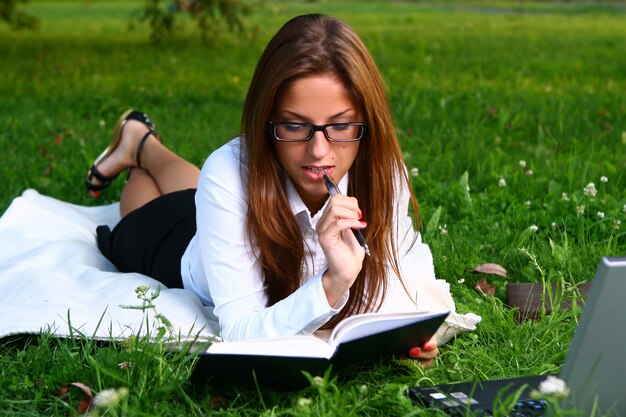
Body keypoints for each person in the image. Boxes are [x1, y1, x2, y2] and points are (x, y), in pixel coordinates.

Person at [86, 13, 455, 366]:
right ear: (266, 121)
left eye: (340, 126)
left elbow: (401, 278)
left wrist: (410, 331)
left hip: (213, 202)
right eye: (295, 127)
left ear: (367, 122)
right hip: (171, 243)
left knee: (196, 189)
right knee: (145, 207)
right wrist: (331, 283)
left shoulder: (384, 172)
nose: (319, 152)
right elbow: (241, 333)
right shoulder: (228, 173)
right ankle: (138, 150)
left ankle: (141, 141)